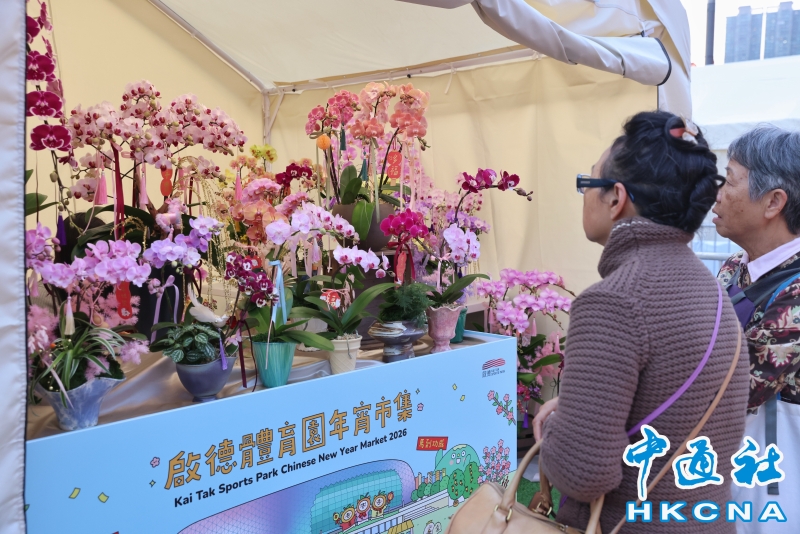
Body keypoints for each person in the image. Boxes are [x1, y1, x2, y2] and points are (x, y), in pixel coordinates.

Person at [532, 111, 749, 533]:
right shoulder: (712, 289)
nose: (584, 196)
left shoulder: (614, 302)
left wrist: (558, 425)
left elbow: (583, 474)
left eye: (587, 183)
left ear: (616, 198)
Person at [712, 126, 800, 534]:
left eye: (729, 181)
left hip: (773, 479)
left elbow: (738, 388)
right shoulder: (734, 267)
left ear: (774, 202)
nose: (717, 194)